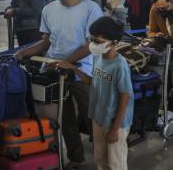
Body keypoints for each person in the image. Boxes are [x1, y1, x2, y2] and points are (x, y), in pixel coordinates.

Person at [15, 0, 103, 169]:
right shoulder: (48, 9)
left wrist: (68, 62)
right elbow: (46, 41)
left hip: (82, 70)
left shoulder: (90, 9)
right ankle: (77, 157)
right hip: (53, 69)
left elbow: (90, 45)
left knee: (92, 116)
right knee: (64, 117)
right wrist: (24, 52)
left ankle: (105, 158)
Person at [57, 16, 133, 170]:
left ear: (114, 43)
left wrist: (115, 129)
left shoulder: (120, 66)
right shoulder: (98, 58)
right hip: (98, 118)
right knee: (100, 159)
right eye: (92, 39)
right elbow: (93, 82)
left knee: (115, 163)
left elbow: (125, 97)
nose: (93, 44)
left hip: (114, 123)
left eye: (98, 41)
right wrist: (74, 68)